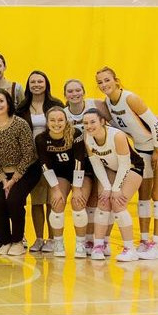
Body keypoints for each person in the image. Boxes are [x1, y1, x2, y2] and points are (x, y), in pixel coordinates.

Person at [97, 67, 158, 260]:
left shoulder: (130, 98)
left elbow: (155, 123)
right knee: (143, 195)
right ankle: (145, 241)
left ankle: (157, 244)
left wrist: (157, 149)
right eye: (100, 82)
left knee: (157, 193)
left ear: (116, 80)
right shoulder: (108, 102)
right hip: (141, 150)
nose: (104, 85)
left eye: (107, 80)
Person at [0, 89, 41, 256]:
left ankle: (18, 241)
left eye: (1, 101)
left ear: (8, 104)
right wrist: (2, 179)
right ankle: (6, 241)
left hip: (26, 171)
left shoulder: (20, 124)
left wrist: (13, 180)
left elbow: (29, 153)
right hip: (2, 175)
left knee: (14, 200)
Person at [83, 109, 144, 262]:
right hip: (110, 168)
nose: (89, 126)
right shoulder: (87, 137)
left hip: (132, 167)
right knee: (103, 201)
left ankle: (130, 249)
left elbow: (124, 164)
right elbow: (97, 164)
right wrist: (107, 187)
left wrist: (115, 189)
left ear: (102, 122)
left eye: (92, 122)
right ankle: (99, 246)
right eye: (85, 123)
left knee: (118, 203)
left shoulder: (117, 136)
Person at [35, 106, 93, 258]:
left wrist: (77, 188)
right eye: (52, 120)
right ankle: (58, 242)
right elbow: (44, 165)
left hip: (80, 173)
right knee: (57, 202)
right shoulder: (41, 139)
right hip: (59, 174)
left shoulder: (75, 133)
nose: (56, 123)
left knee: (78, 203)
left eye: (60, 120)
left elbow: (79, 160)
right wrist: (54, 189)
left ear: (66, 121)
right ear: (47, 122)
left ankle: (80, 243)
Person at [16, 70, 63, 253]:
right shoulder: (22, 108)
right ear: (28, 85)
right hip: (31, 160)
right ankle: (38, 238)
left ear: (46, 84)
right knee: (36, 201)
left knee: (52, 200)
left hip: (52, 158)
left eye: (40, 81)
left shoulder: (56, 104)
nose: (36, 85)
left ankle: (52, 239)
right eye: (33, 82)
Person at [63, 78, 105, 252]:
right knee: (80, 201)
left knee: (97, 200)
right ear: (65, 95)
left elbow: (112, 123)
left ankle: (98, 241)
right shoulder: (63, 114)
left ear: (84, 92)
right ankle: (85, 241)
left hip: (100, 159)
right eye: (70, 91)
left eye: (77, 90)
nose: (74, 94)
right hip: (77, 163)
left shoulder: (95, 107)